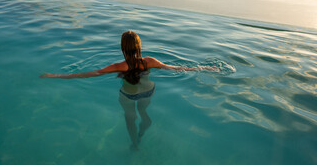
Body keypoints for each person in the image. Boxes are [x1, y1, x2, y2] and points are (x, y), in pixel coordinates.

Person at [40, 30, 219, 150]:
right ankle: (146, 123)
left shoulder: (119, 66)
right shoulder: (149, 61)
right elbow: (178, 69)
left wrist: (56, 76)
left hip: (128, 95)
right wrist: (205, 68)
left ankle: (135, 143)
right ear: (139, 45)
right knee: (143, 111)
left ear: (123, 48)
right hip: (148, 92)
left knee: (130, 118)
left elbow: (90, 74)